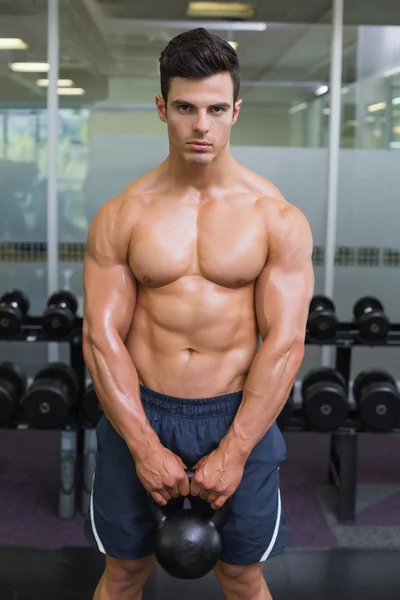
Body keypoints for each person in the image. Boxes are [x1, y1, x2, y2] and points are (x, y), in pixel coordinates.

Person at [83, 27, 314, 600]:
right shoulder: (122, 215)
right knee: (123, 573)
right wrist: (142, 445)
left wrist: (233, 451)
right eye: (185, 107)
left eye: (215, 109)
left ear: (236, 110)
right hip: (141, 407)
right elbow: (101, 335)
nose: (201, 126)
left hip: (238, 412)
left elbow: (284, 343)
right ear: (162, 108)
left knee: (241, 576)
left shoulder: (275, 216)